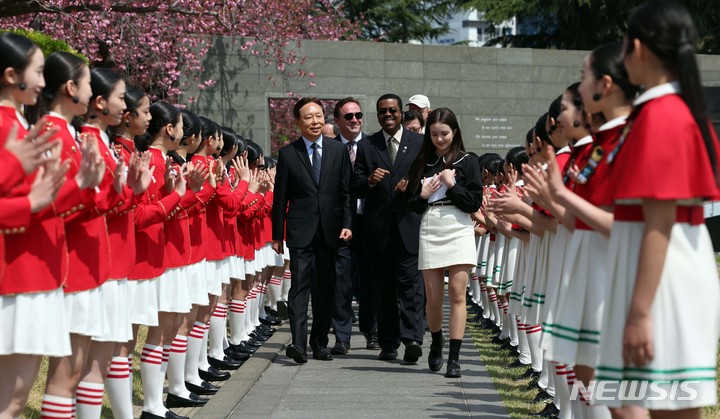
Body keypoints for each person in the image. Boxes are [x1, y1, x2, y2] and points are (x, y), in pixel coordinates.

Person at [596, 1, 720, 415]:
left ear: (639, 47)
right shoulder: (661, 111)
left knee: (667, 406)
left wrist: (640, 312)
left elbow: (660, 218)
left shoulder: (662, 116)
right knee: (650, 402)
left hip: (663, 276)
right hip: (659, 270)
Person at [272, 97, 352, 363]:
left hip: (330, 231)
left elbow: (345, 192)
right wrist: (277, 235)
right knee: (299, 288)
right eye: (308, 117)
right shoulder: (288, 153)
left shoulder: (337, 151)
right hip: (300, 231)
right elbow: (280, 198)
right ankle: (298, 344)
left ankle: (320, 343)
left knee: (325, 290)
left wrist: (347, 224)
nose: (315, 121)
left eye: (318, 116)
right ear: (297, 122)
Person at [406, 108, 482, 378]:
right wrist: (423, 194)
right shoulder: (422, 162)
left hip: (459, 226)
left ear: (455, 132)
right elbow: (411, 205)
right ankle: (436, 341)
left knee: (458, 295)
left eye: (445, 134)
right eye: (435, 134)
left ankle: (454, 357)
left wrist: (452, 186)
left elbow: (474, 203)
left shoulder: (468, 161)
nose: (440, 139)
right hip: (431, 224)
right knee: (434, 298)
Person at [353, 93, 425, 362]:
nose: (388, 115)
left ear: (401, 112)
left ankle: (413, 339)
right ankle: (389, 343)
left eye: (393, 111)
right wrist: (370, 181)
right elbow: (354, 184)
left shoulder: (418, 142)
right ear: (378, 114)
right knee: (383, 288)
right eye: (383, 111)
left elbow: (429, 176)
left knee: (410, 286)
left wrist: (413, 184)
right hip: (379, 229)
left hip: (409, 225)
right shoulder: (367, 145)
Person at [331, 97, 374, 353]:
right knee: (341, 283)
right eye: (348, 116)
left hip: (369, 224)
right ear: (337, 121)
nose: (355, 120)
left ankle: (372, 332)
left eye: (358, 115)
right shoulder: (329, 148)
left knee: (370, 282)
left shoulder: (372, 145)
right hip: (339, 226)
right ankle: (342, 337)